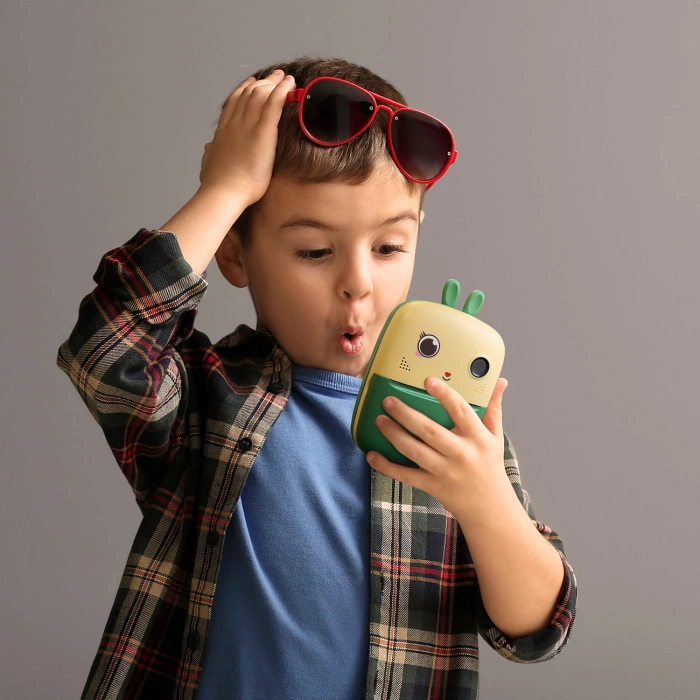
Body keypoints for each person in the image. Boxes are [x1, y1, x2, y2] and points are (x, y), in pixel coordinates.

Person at [56, 56, 577, 700]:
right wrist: (225, 191)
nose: (358, 282)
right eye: (314, 251)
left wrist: (484, 499)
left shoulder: (454, 432)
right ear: (233, 252)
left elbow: (537, 630)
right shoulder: (206, 401)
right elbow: (106, 347)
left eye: (389, 247)